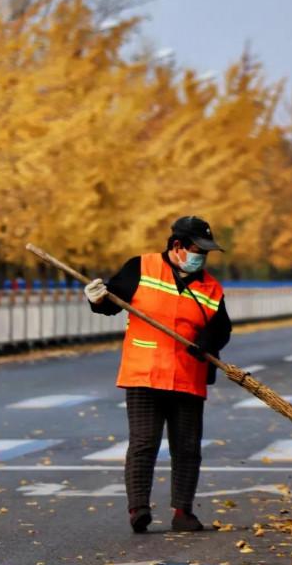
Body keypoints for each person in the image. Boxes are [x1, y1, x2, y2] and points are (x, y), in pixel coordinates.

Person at [85, 216, 231, 533]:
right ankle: (138, 508)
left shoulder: (210, 287)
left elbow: (222, 329)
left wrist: (205, 342)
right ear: (177, 247)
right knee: (144, 443)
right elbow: (110, 303)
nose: (201, 257)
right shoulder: (141, 268)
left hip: (188, 376)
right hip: (145, 375)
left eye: (205, 252)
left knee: (188, 448)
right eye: (197, 250)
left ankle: (183, 511)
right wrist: (96, 298)